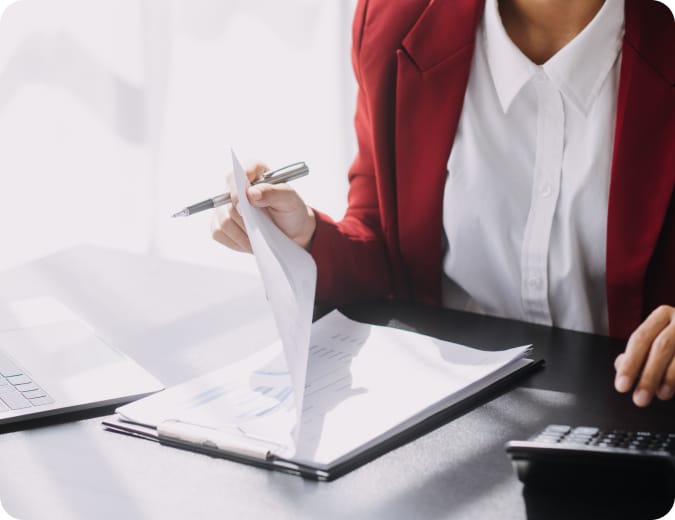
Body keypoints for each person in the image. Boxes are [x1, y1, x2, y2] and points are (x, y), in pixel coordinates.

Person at [212, 0, 675, 408]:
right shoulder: (395, 23)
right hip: (444, 416)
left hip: (627, 416)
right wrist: (307, 234)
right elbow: (383, 247)